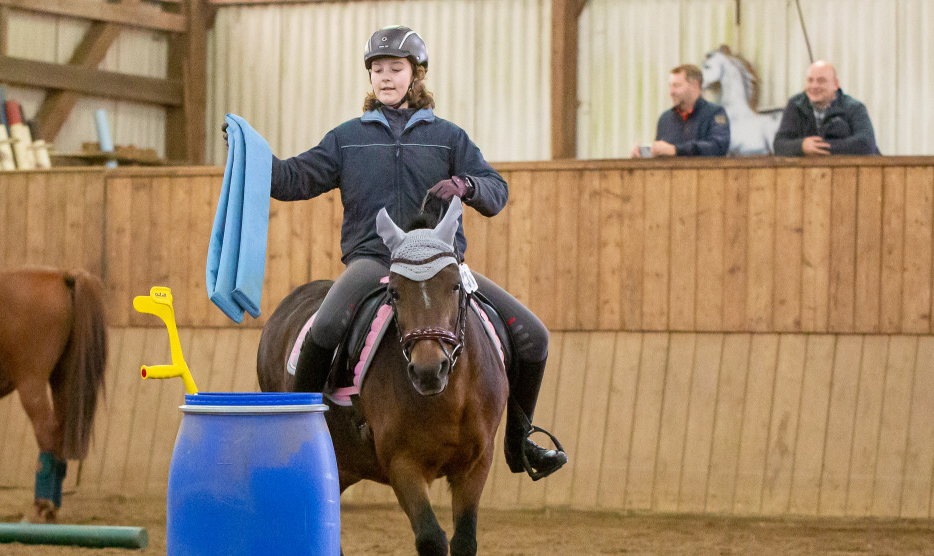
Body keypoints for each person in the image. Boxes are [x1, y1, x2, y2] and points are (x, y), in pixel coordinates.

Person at [226, 25, 566, 480]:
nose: (385, 77)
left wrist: (466, 184)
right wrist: (250, 155)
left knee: (534, 336)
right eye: (377, 69)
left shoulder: (449, 137)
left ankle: (519, 443)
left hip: (440, 266)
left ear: (416, 74)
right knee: (324, 326)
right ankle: (298, 433)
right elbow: (292, 179)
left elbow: (496, 191)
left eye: (395, 68)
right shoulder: (347, 138)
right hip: (375, 261)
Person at [773, 60, 879, 157]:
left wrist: (819, 148)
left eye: (821, 81)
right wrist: (802, 146)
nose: (814, 86)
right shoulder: (796, 105)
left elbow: (866, 144)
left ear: (836, 84)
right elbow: (779, 145)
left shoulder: (854, 107)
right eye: (810, 80)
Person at [630, 64, 730, 158]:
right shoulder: (665, 119)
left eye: (677, 86)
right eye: (670, 86)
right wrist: (644, 153)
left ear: (695, 86)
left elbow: (718, 147)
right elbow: (660, 158)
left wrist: (676, 150)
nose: (671, 92)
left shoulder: (715, 113)